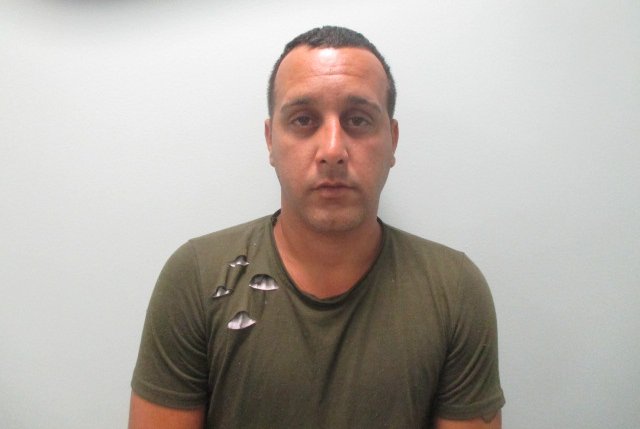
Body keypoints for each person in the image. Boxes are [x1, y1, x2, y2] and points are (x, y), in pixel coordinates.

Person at [129, 26, 505, 429]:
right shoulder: (198, 277)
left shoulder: (453, 289)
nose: (332, 150)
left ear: (392, 141)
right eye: (303, 120)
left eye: (358, 120)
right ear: (270, 140)